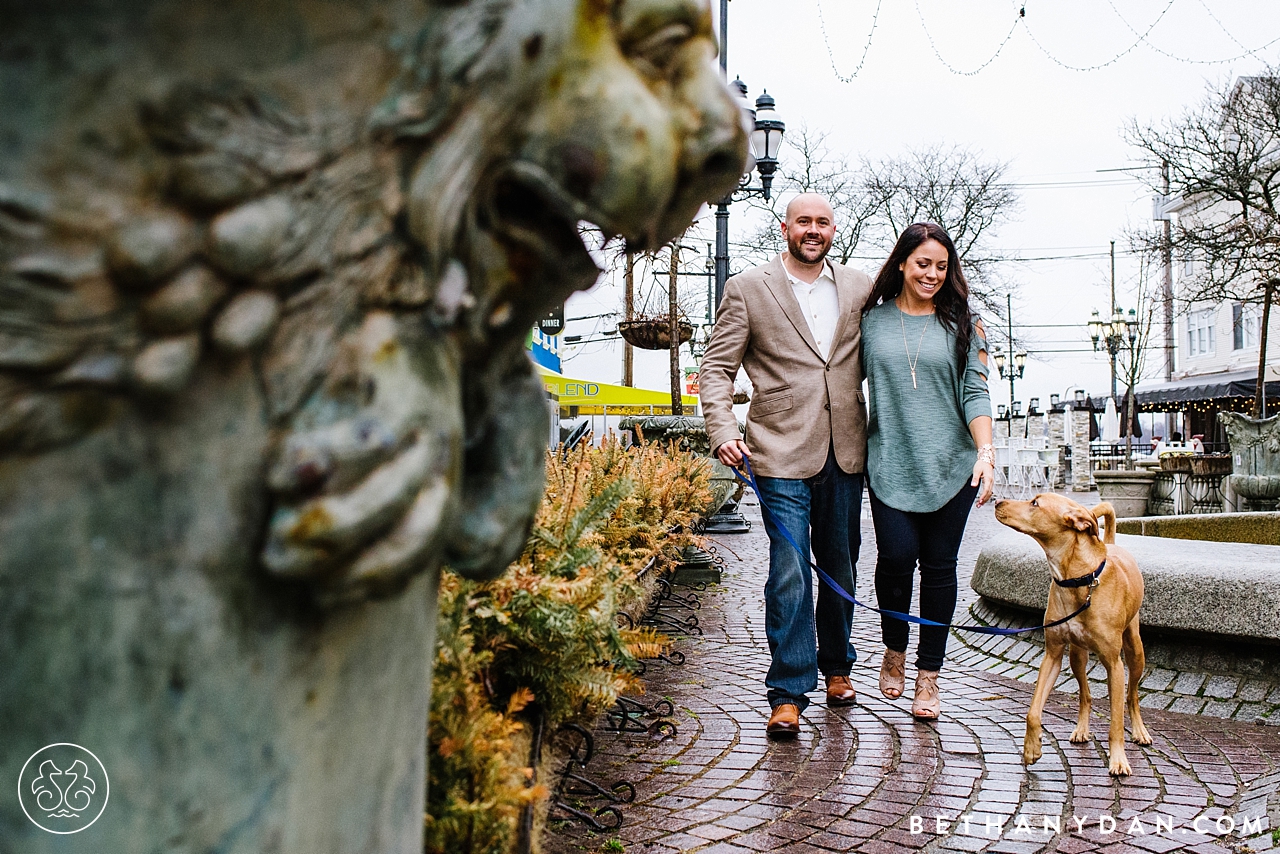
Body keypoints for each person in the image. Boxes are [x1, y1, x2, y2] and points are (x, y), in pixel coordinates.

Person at [699, 193, 873, 738]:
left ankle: (838, 667)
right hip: (777, 453)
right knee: (791, 572)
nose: (813, 230)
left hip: (845, 450)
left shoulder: (861, 288)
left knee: (841, 565)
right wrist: (724, 430)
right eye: (804, 222)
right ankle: (788, 690)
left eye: (823, 222)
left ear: (833, 229)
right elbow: (716, 369)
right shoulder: (749, 289)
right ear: (786, 228)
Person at [860, 222, 994, 721]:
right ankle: (894, 647)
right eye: (923, 264)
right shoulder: (870, 322)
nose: (932, 274)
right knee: (895, 559)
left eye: (941, 266)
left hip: (952, 466)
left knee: (940, 570)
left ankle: (928, 676)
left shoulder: (965, 323)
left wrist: (986, 453)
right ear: (902, 263)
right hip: (891, 462)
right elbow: (840, 383)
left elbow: (975, 393)